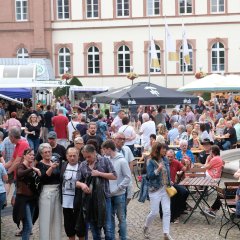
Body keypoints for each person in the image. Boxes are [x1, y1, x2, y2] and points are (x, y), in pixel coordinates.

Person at [76, 144, 117, 240]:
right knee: (94, 228)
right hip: (90, 201)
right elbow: (76, 181)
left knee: (108, 227)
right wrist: (82, 185)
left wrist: (99, 174)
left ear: (94, 153)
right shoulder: (83, 164)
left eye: (89, 156)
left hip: (104, 198)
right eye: (85, 157)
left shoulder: (105, 161)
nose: (87, 159)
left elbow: (114, 176)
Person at [102, 140, 131, 240]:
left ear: (109, 149)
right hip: (108, 194)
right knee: (110, 219)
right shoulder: (106, 159)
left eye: (104, 150)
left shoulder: (122, 161)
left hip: (119, 194)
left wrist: (119, 188)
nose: (103, 152)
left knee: (121, 218)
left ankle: (123, 237)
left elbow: (128, 177)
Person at [143, 142, 173, 240]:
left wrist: (169, 181)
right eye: (163, 149)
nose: (165, 150)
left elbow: (167, 172)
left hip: (165, 189)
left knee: (167, 211)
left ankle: (166, 233)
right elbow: (150, 176)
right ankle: (146, 227)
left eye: (165, 148)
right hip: (155, 189)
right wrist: (158, 170)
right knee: (154, 212)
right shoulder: (150, 161)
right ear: (157, 150)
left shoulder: (165, 159)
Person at [13, 148, 41, 240]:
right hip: (23, 200)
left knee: (27, 226)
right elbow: (20, 174)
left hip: (32, 200)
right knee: (28, 225)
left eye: (33, 155)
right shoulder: (21, 166)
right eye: (30, 154)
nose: (32, 156)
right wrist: (32, 169)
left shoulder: (30, 167)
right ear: (24, 156)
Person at [36, 143, 62, 240]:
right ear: (42, 154)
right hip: (46, 192)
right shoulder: (40, 164)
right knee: (45, 219)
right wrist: (51, 168)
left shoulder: (55, 162)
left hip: (57, 192)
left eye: (49, 151)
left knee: (57, 219)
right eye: (45, 152)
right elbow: (43, 179)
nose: (48, 154)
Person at [61, 147, 85, 240]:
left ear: (78, 156)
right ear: (66, 156)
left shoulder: (82, 166)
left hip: (78, 201)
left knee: (80, 228)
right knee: (69, 227)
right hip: (66, 202)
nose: (72, 158)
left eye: (74, 156)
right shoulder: (63, 165)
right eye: (70, 156)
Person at [165, 149, 188, 224]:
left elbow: (185, 169)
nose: (169, 158)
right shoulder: (163, 163)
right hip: (165, 185)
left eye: (171, 157)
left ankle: (180, 210)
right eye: (168, 156)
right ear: (165, 156)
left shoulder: (176, 162)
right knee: (174, 194)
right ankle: (174, 216)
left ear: (174, 157)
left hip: (172, 184)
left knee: (185, 192)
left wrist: (186, 163)